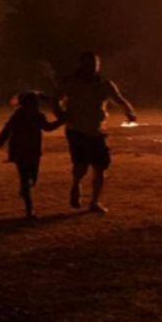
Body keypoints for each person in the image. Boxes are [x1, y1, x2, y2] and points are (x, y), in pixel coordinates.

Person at [58, 52, 137, 214]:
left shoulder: (105, 84)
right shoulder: (71, 82)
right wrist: (60, 114)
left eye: (95, 64)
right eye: (89, 64)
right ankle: (76, 185)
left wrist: (129, 112)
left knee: (101, 167)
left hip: (97, 131)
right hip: (77, 130)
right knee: (81, 166)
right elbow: (55, 99)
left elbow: (119, 99)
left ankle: (94, 202)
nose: (93, 67)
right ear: (82, 65)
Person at [0, 92, 65, 219]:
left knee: (31, 178)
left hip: (26, 151)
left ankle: (25, 190)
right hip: (26, 151)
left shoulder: (31, 115)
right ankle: (29, 208)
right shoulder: (27, 115)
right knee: (28, 178)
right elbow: (48, 127)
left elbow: (8, 127)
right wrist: (61, 121)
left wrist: (1, 139)